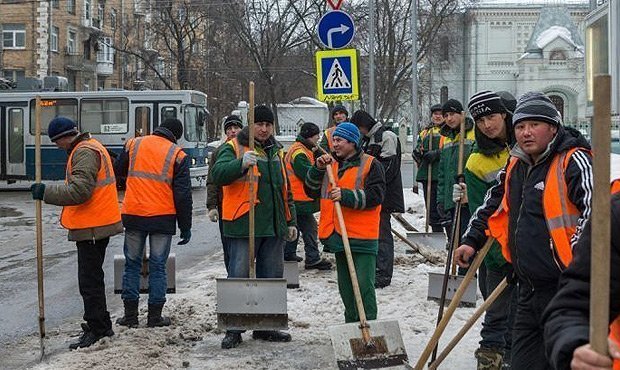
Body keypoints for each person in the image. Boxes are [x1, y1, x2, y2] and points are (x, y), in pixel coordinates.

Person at [454, 92, 594, 370]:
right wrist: (471, 240)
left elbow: (596, 213)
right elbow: (493, 203)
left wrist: (577, 258)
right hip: (527, 286)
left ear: (553, 127)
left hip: (566, 288)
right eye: (520, 126)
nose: (526, 133)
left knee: (564, 361)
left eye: (534, 125)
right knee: (522, 361)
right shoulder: (516, 163)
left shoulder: (573, 160)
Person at [30, 117, 122, 349]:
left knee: (89, 282)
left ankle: (100, 329)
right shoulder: (89, 147)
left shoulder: (84, 152)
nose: (57, 147)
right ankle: (98, 322)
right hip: (95, 223)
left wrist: (45, 192)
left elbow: (80, 191)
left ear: (63, 137)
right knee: (91, 279)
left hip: (93, 225)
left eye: (56, 142)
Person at [211, 105, 297, 349]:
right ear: (251, 125)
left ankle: (266, 326)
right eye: (259, 124)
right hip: (242, 224)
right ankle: (234, 328)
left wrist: (290, 222)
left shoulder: (277, 152)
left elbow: (285, 190)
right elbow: (217, 174)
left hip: (273, 226)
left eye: (268, 125)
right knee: (238, 276)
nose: (264, 129)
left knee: (271, 277)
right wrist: (240, 164)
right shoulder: (234, 147)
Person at [454, 90, 516, 369]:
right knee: (497, 312)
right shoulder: (476, 162)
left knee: (523, 315)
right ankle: (490, 360)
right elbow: (483, 210)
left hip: (532, 247)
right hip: (497, 250)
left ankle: (517, 359)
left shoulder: (526, 146)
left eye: (491, 116)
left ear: (504, 114)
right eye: (480, 121)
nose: (487, 125)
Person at [114, 118, 193, 329]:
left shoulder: (134, 144)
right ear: (175, 136)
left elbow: (118, 169)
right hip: (162, 218)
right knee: (158, 267)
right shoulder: (178, 155)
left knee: (132, 264)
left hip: (134, 214)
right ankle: (155, 317)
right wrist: (185, 226)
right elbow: (183, 194)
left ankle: (130, 316)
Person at [303, 122, 386, 322]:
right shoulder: (329, 165)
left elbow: (377, 195)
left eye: (339, 140)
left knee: (364, 285)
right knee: (346, 287)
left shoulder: (371, 164)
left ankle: (369, 325)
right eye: (334, 140)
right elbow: (310, 191)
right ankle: (351, 325)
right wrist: (316, 169)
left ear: (352, 142)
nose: (335, 144)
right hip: (338, 235)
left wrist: (346, 196)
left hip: (363, 237)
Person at [543, 180, 620, 370]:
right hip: (531, 276)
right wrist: (577, 343)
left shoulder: (575, 160)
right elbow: (572, 308)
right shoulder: (615, 215)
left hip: (553, 273)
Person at [350, 110, 404, 289]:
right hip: (372, 193)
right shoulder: (369, 139)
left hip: (383, 194)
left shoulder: (386, 137)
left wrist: (373, 183)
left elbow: (389, 168)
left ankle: (383, 273)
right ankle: (375, 270)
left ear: (362, 126)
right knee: (374, 233)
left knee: (382, 234)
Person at [283, 121, 332, 270]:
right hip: (299, 198)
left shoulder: (302, 149)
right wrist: (320, 169)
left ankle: (289, 253)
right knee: (309, 228)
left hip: (297, 198)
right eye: (316, 135)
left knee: (296, 226)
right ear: (310, 136)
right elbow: (307, 174)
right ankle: (312, 258)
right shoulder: (299, 153)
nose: (318, 138)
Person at [437, 99, 476, 250]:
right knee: (455, 240)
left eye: (452, 114)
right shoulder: (446, 138)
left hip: (468, 198)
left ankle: (466, 271)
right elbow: (442, 173)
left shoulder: (473, 134)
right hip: (451, 197)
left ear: (462, 113)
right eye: (446, 115)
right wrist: (441, 199)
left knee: (467, 238)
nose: (449, 119)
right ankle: (460, 269)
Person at [207, 115, 243, 272]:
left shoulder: (247, 149)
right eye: (229, 129)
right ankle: (232, 273)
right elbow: (212, 180)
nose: (233, 131)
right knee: (228, 243)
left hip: (246, 205)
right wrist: (212, 206)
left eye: (236, 128)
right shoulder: (219, 152)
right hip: (225, 206)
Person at [413, 103, 444, 232]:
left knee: (441, 208)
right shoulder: (425, 132)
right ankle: (436, 232)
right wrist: (417, 154)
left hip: (441, 175)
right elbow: (418, 148)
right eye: (435, 114)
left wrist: (436, 154)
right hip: (427, 175)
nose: (437, 116)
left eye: (440, 114)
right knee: (430, 208)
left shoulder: (447, 132)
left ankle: (446, 234)